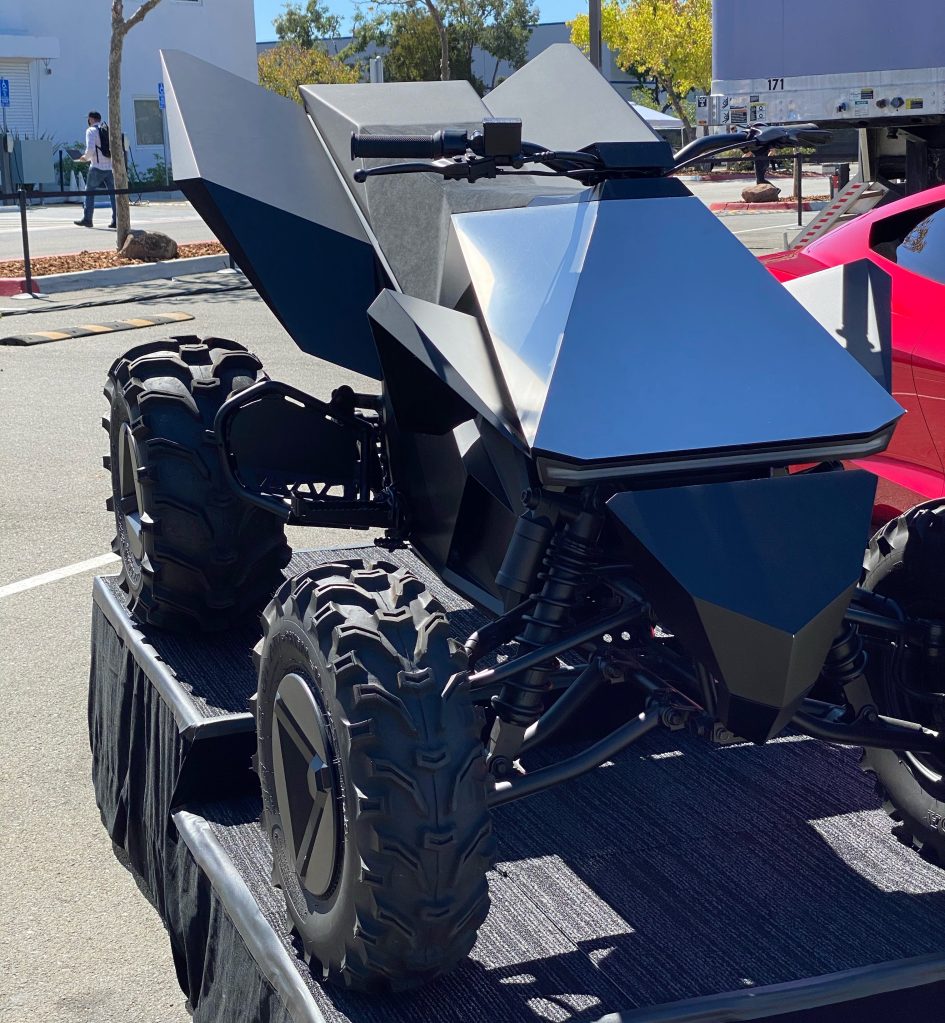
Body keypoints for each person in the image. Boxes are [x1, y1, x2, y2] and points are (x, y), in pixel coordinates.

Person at [74, 111, 116, 229]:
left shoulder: (91, 131)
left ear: (91, 119)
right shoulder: (107, 129)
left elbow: (91, 149)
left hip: (97, 167)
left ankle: (88, 219)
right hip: (110, 166)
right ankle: (116, 220)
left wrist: (84, 158)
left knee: (89, 192)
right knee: (114, 194)